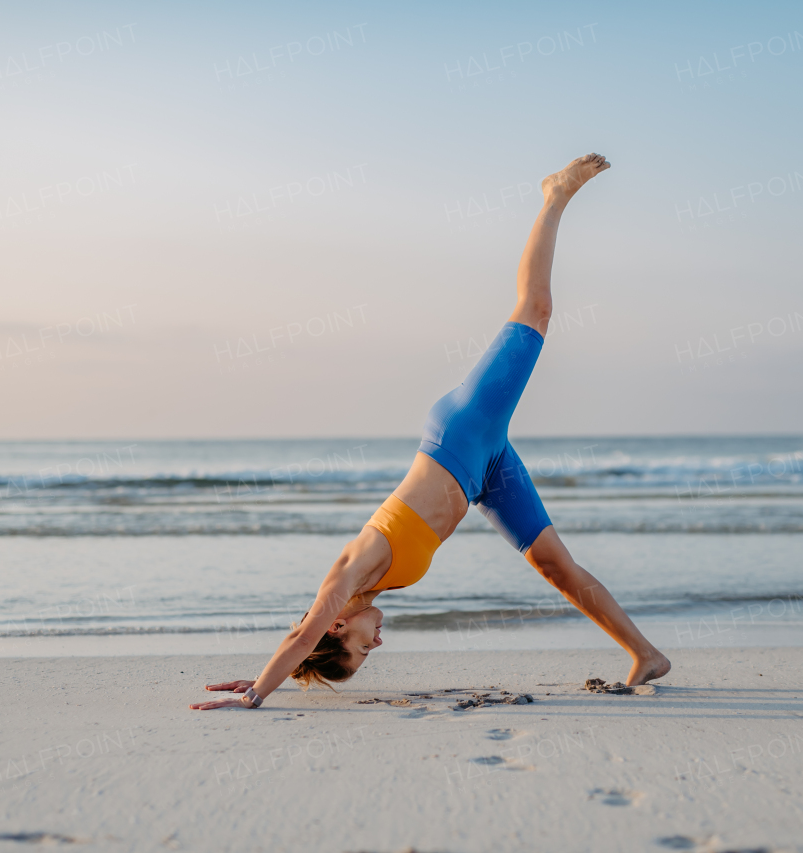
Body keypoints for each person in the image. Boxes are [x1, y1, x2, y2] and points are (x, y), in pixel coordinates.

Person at [191, 153, 670, 711]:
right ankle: (645, 653)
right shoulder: (361, 592)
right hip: (481, 473)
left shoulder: (346, 579)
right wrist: (262, 672)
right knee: (553, 564)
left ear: (338, 626)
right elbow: (303, 641)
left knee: (535, 310)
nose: (377, 644)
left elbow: (304, 635)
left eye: (363, 650)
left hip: (463, 432)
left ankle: (555, 195)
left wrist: (256, 693)